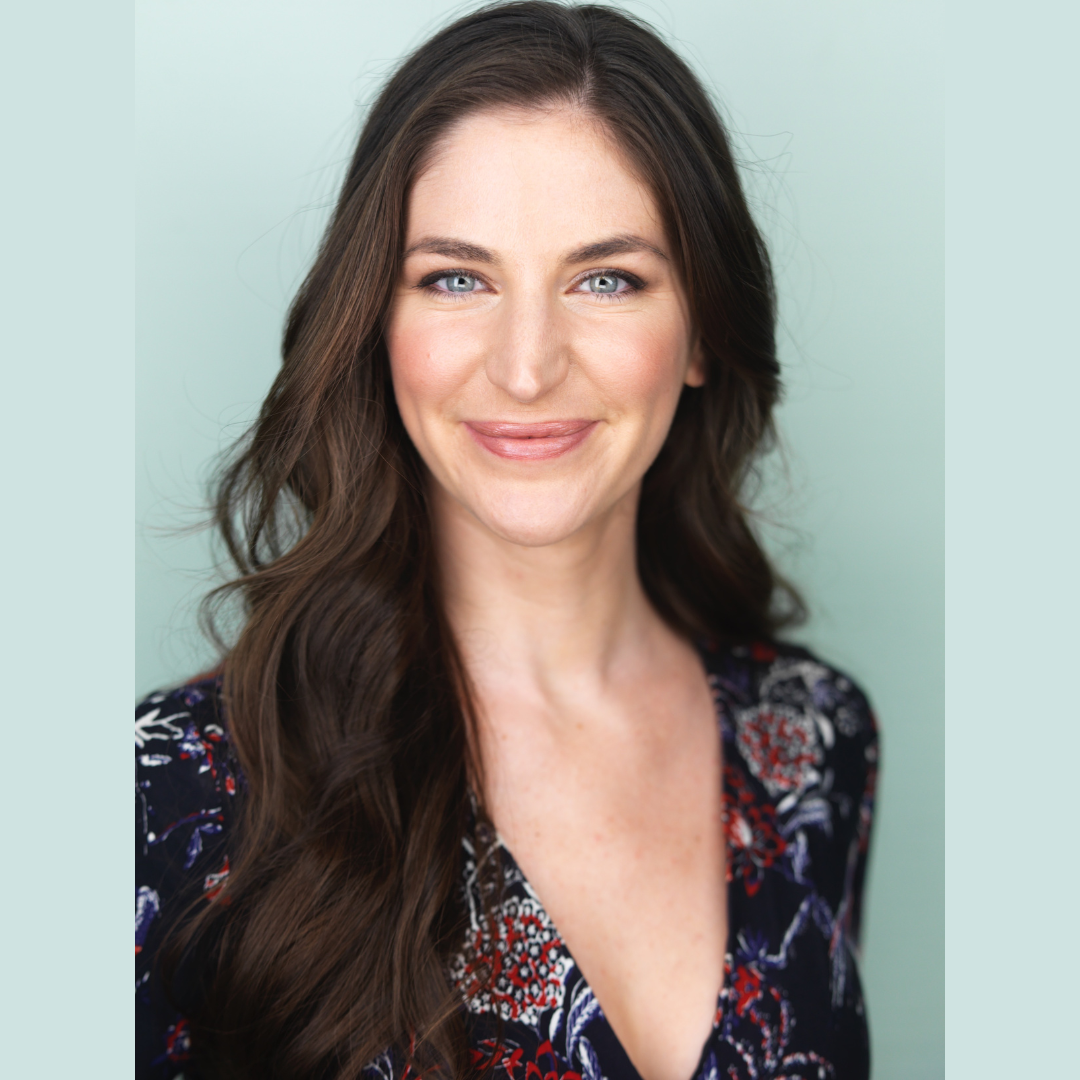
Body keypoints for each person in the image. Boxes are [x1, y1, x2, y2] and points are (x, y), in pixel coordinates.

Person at [135, 4, 878, 1079]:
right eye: (456, 278)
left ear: (704, 329)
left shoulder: (814, 741)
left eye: (606, 279)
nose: (526, 366)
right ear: (376, 322)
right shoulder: (173, 792)